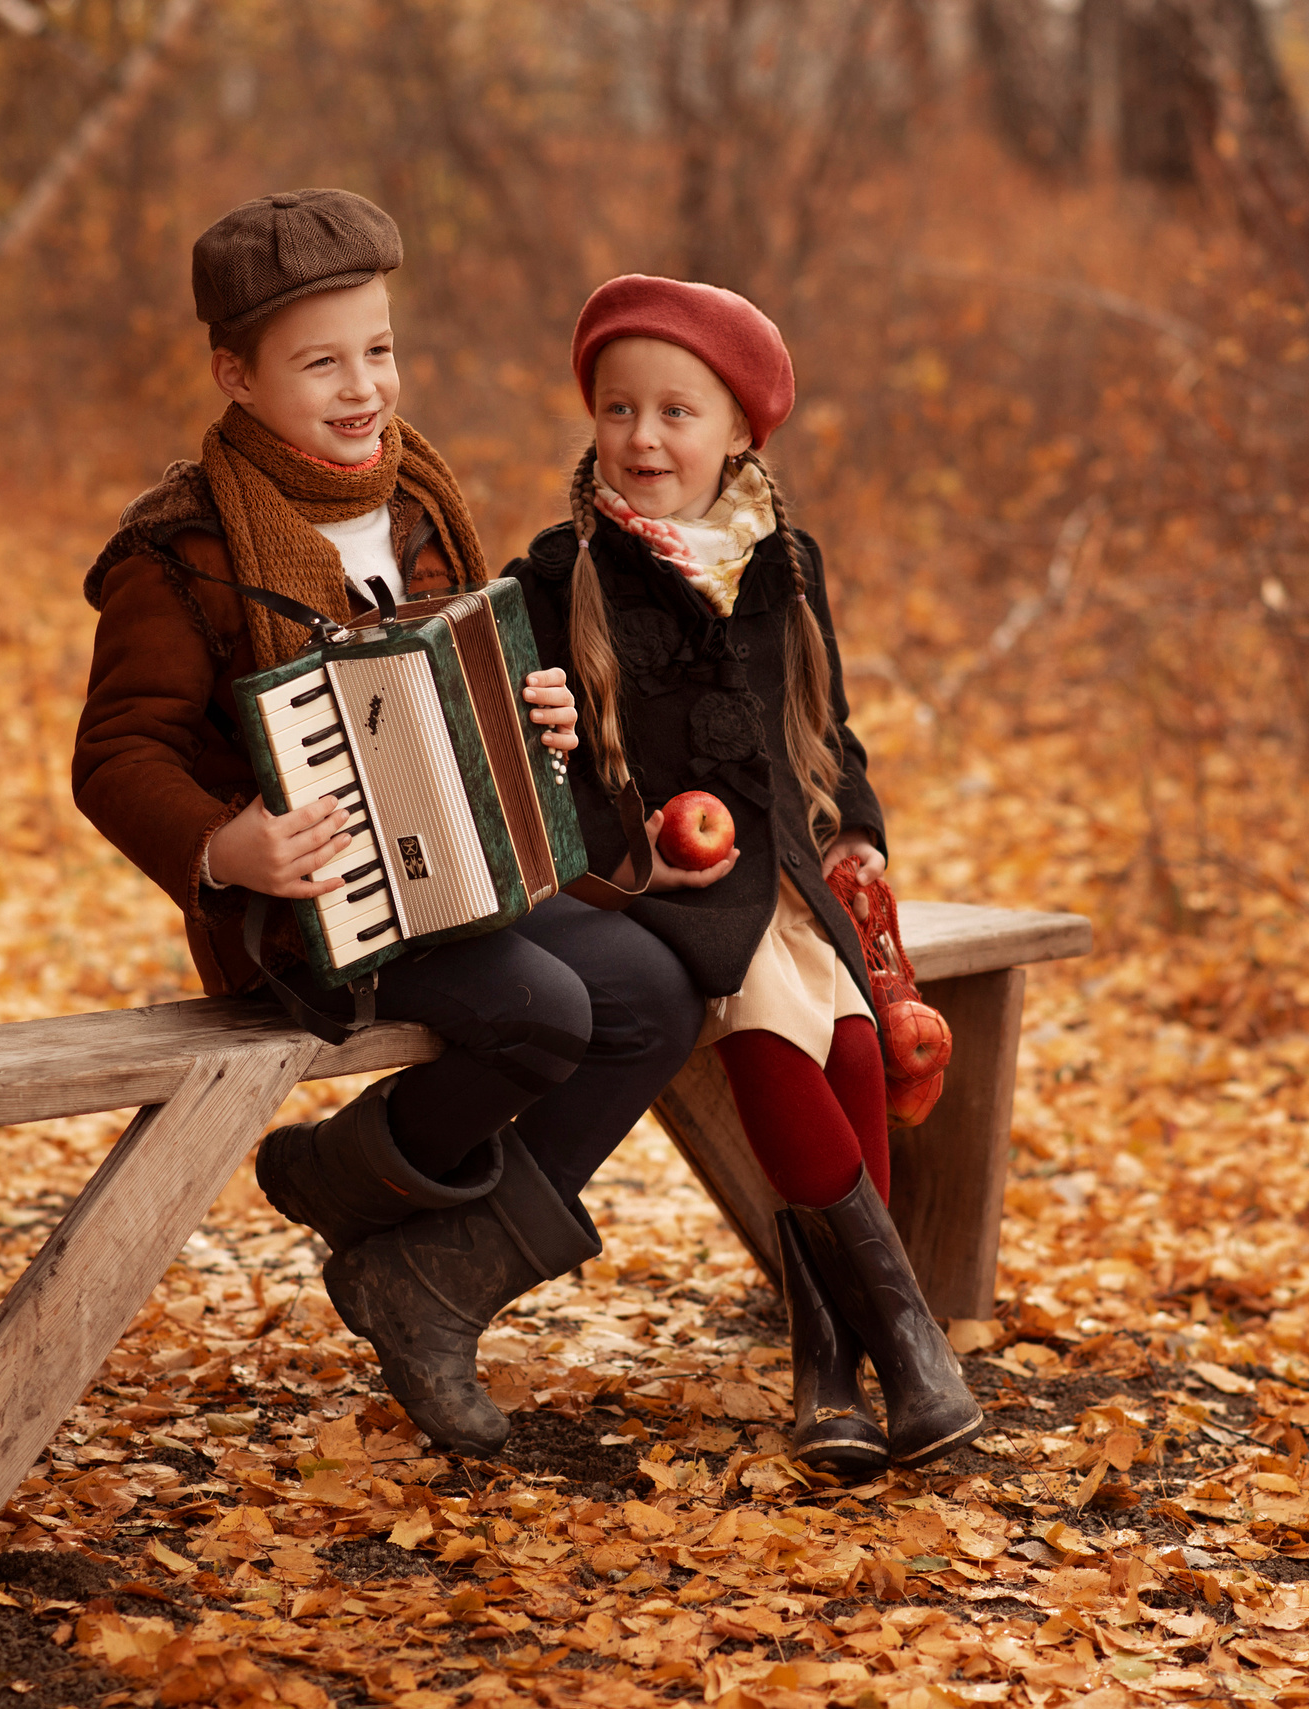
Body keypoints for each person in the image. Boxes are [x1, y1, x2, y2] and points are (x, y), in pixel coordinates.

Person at [73, 195, 700, 1455]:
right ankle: (344, 1176)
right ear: (235, 375)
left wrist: (538, 717)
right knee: (546, 1008)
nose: (363, 388)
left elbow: (451, 686)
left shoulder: (418, 499)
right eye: (321, 362)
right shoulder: (180, 549)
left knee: (653, 986)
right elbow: (116, 754)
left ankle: (433, 1276)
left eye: (379, 350)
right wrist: (223, 844)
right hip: (310, 913)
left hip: (457, 867)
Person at [505, 275, 983, 1476]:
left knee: (861, 1049)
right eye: (619, 410)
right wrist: (633, 851)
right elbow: (541, 771)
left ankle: (834, 1370)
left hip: (786, 879)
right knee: (776, 1033)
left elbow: (830, 731)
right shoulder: (562, 575)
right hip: (662, 897)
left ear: (738, 433)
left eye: (677, 413)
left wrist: (858, 834)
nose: (644, 438)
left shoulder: (783, 560)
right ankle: (909, 1344)